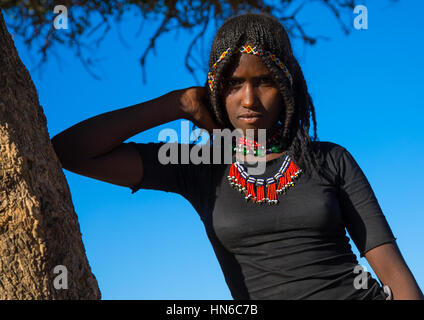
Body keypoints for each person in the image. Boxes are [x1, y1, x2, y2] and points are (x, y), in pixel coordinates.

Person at [51, 12, 423, 300]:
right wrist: (178, 103)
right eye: (233, 84)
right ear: (215, 90)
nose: (248, 99)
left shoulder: (329, 160)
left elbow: (396, 279)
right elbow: (70, 152)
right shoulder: (198, 166)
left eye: (264, 81)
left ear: (287, 87)